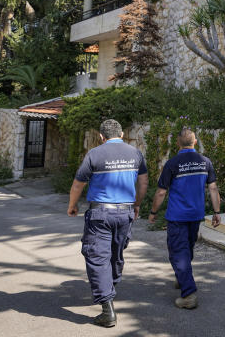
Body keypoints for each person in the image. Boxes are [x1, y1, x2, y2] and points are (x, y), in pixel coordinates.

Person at [68, 119, 148, 328]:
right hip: (125, 212)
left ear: (102, 137)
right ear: (121, 135)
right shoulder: (135, 153)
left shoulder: (94, 154)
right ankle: (109, 288)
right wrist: (137, 205)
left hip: (100, 214)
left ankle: (107, 309)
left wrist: (72, 205)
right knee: (116, 253)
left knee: (97, 256)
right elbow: (143, 182)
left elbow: (78, 183)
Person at [147, 126, 221, 310]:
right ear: (195, 142)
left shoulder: (172, 164)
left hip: (177, 217)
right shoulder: (205, 162)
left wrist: (153, 212)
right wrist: (217, 212)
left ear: (178, 143)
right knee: (187, 248)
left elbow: (161, 192)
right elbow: (213, 188)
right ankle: (182, 277)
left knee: (178, 253)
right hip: (196, 215)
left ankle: (188, 294)